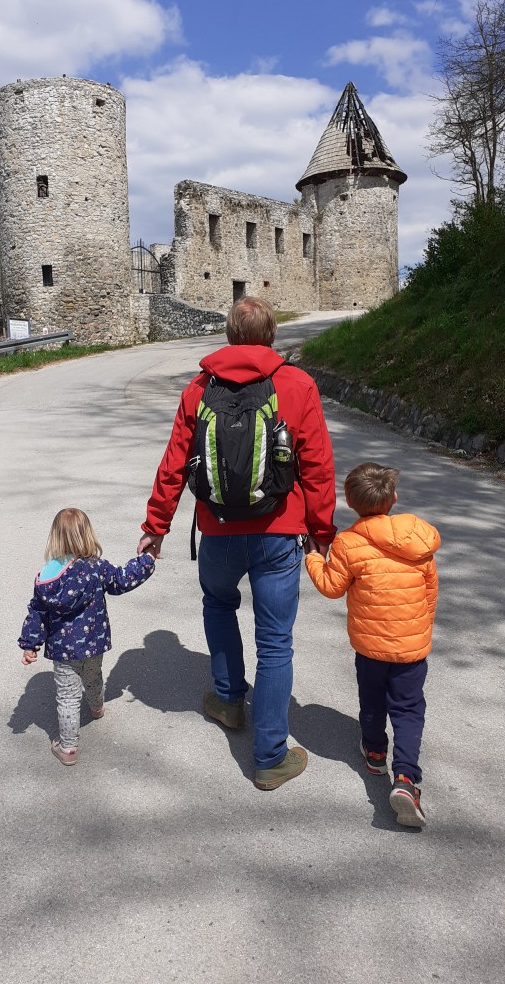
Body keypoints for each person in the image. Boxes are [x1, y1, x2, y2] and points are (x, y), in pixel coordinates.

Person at [138, 297, 337, 790]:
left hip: (219, 531)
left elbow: (174, 465)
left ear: (229, 336)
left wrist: (155, 527)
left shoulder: (198, 389)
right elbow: (317, 467)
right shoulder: (297, 385)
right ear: (271, 335)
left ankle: (228, 700)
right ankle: (269, 758)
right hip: (278, 533)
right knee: (275, 641)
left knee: (219, 604)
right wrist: (322, 532)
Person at [303, 463, 440, 827]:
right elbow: (430, 590)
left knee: (372, 700)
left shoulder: (349, 543)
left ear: (350, 502)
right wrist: (422, 627)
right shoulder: (419, 539)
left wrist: (314, 557)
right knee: (409, 709)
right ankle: (407, 778)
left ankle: (376, 752)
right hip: (411, 647)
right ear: (394, 498)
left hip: (370, 648)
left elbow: (332, 587)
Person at [19, 507, 155, 765]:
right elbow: (121, 580)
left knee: (68, 696)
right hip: (94, 644)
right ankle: (96, 707)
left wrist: (30, 645)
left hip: (63, 650)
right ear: (87, 535)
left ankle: (68, 748)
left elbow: (37, 613)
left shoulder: (47, 576)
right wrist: (146, 561)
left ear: (55, 538)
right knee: (93, 676)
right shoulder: (97, 568)